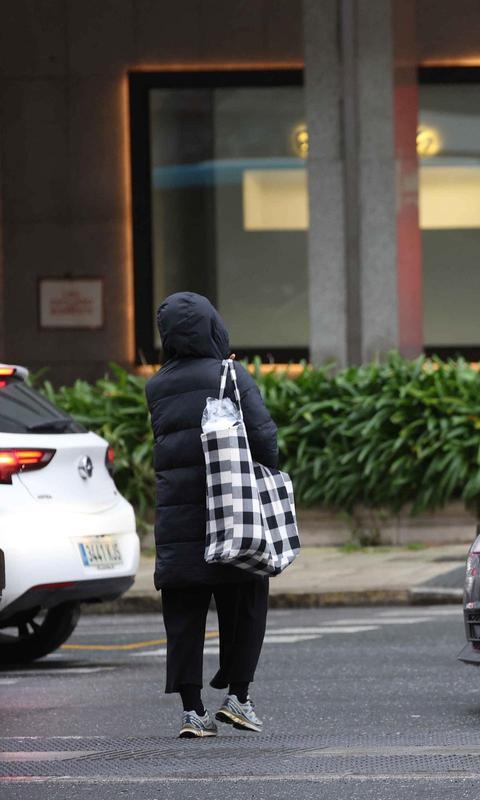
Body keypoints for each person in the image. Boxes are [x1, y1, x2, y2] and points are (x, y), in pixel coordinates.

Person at [145, 292, 278, 739]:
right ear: (212, 327)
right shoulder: (231, 374)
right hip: (231, 515)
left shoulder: (157, 385)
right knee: (246, 598)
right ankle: (238, 699)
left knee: (183, 614)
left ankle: (191, 712)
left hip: (178, 523)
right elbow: (264, 440)